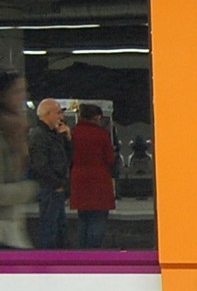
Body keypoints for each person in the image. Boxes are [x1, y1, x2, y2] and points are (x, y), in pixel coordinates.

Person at [0, 70, 39, 248]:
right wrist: (29, 189)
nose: (23, 96)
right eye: (17, 91)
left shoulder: (14, 131)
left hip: (11, 231)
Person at [68, 104, 116, 248]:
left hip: (79, 179)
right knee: (99, 217)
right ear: (96, 117)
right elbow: (110, 159)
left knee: (83, 217)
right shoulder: (101, 134)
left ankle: (82, 252)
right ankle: (94, 251)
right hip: (99, 180)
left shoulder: (73, 133)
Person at [29, 98, 72, 249]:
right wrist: (58, 184)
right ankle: (47, 264)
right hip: (50, 189)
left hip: (56, 188)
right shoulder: (39, 135)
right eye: (58, 112)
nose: (61, 117)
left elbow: (68, 158)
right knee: (50, 228)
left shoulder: (53, 135)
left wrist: (67, 139)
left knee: (60, 228)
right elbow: (40, 166)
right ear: (47, 114)